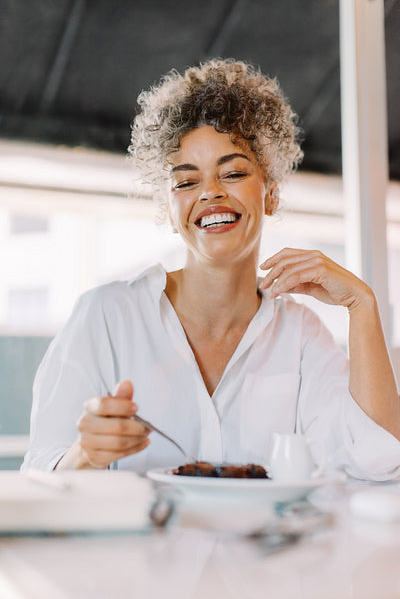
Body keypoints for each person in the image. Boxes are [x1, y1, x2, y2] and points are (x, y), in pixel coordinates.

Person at [22, 59, 400, 480]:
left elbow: (377, 461)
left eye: (233, 173)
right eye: (186, 182)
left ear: (270, 195)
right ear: (170, 208)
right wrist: (85, 454)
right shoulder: (106, 316)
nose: (211, 193)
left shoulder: (301, 335)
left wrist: (361, 305)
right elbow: (39, 469)